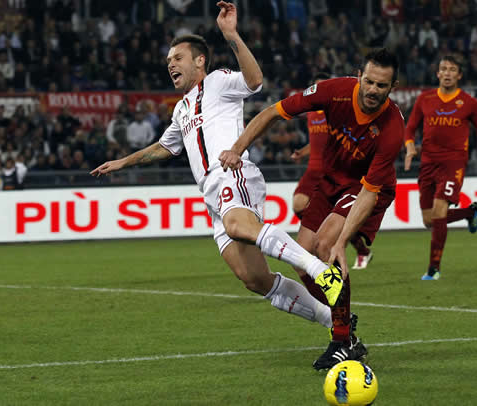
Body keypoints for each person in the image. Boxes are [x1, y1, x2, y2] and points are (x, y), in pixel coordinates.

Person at [92, 1, 348, 348]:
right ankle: (333, 323)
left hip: (232, 173)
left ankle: (320, 272)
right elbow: (164, 148)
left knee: (237, 226)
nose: (171, 64)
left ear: (199, 61)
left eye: (177, 58)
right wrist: (122, 163)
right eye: (168, 60)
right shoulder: (181, 109)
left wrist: (231, 35)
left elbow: (255, 81)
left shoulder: (217, 82)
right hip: (211, 195)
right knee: (254, 279)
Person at [219, 48, 405, 370]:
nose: (374, 90)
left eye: (382, 86)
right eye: (370, 82)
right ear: (359, 75)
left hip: (364, 190)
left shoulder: (391, 126)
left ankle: (341, 339)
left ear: (394, 87)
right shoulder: (334, 91)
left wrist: (342, 242)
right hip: (330, 180)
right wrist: (237, 149)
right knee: (301, 255)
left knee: (326, 246)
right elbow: (272, 112)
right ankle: (341, 321)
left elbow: (370, 193)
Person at [404, 55, 477, 281]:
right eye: (443, 69)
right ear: (437, 74)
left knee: (439, 211)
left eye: (452, 69)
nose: (447, 73)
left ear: (459, 75)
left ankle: (434, 268)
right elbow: (410, 128)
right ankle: (469, 212)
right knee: (429, 220)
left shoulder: (469, 103)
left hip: (453, 164)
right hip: (428, 164)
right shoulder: (424, 99)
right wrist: (409, 148)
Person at [291, 73, 374, 270]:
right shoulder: (311, 112)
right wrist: (302, 152)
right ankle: (354, 246)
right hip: (313, 168)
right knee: (298, 204)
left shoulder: (338, 110)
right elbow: (316, 140)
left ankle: (358, 249)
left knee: (332, 219)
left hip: (332, 169)